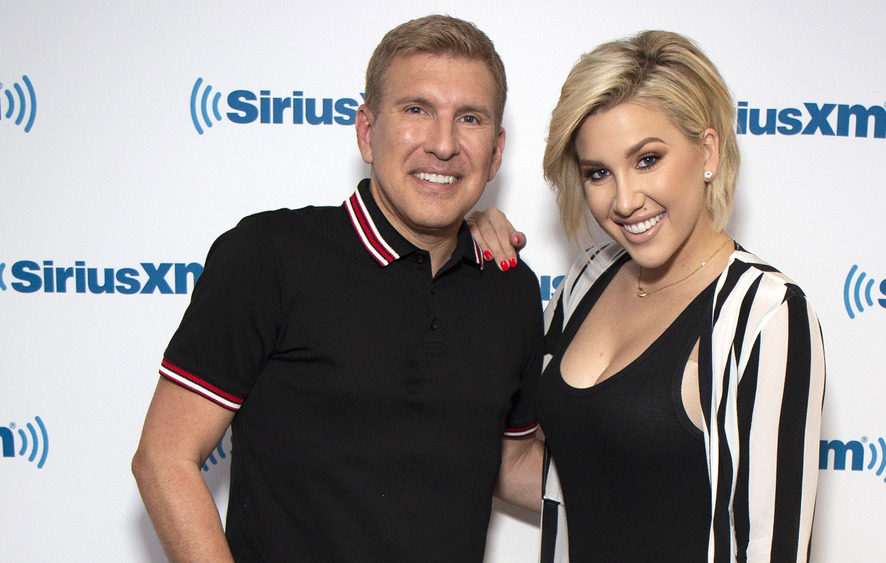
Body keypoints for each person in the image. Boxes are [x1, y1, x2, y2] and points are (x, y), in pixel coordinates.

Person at [131, 15, 544, 562]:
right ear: (367, 132)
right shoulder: (270, 254)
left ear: (495, 152)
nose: (443, 144)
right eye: (417, 110)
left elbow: (512, 464)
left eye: (469, 118)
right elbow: (165, 456)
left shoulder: (510, 289)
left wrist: (667, 479)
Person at [472, 31, 825, 562]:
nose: (625, 200)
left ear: (707, 150)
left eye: (647, 160)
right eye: (598, 173)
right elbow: (534, 467)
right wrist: (463, 256)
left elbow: (770, 549)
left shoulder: (763, 313)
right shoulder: (590, 277)